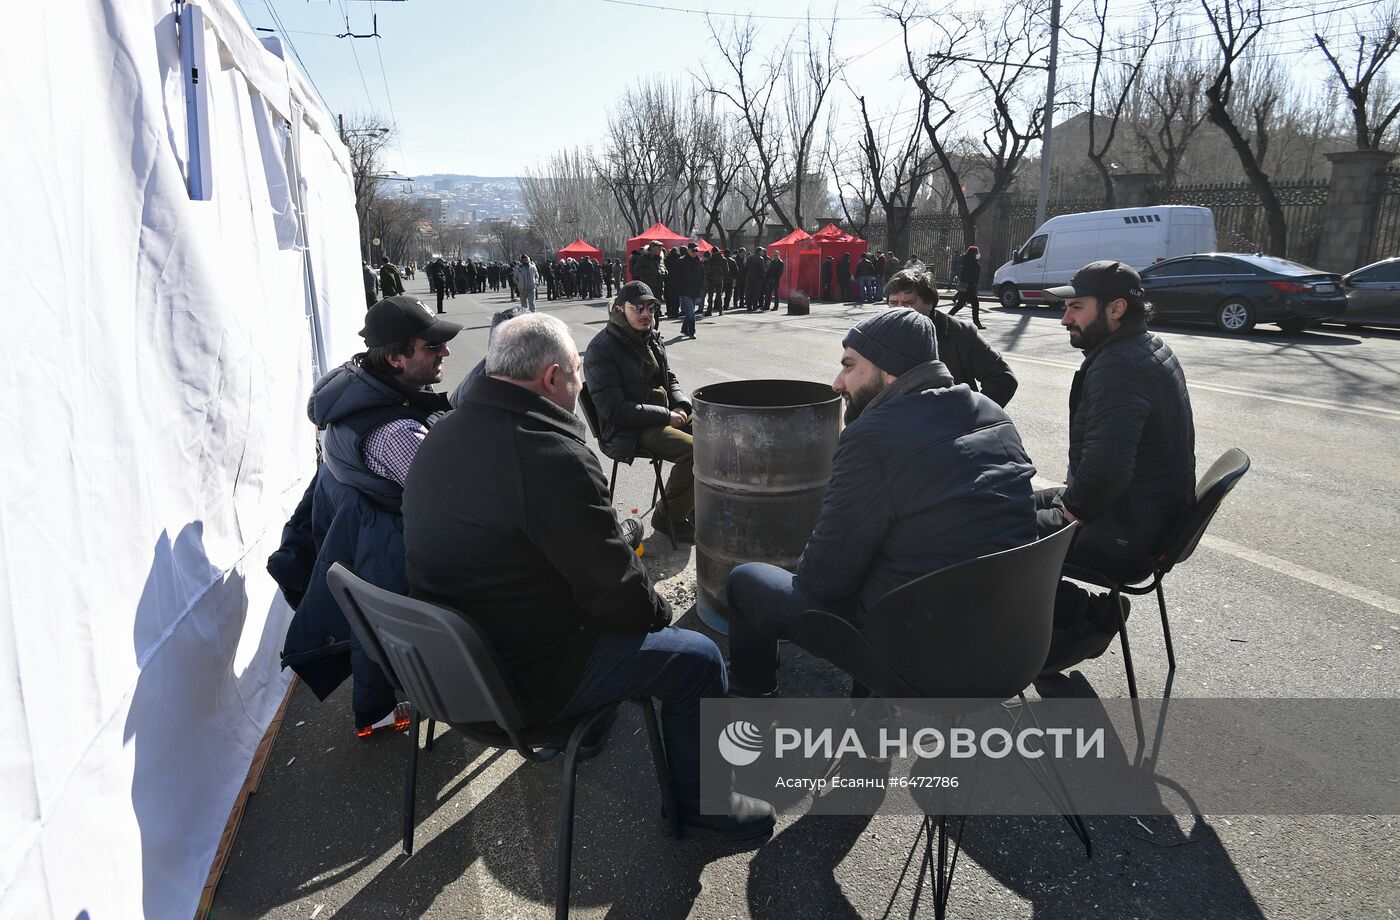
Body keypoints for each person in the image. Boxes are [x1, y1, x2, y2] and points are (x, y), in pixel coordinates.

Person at [403, 313, 774, 839]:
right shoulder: (548, 453)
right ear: (552, 378)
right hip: (521, 680)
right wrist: (660, 614)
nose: (582, 386)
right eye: (578, 372)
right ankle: (705, 803)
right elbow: (620, 594)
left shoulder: (440, 434)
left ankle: (599, 719)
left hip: (450, 666)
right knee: (699, 659)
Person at [726, 309, 1037, 696]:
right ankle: (869, 724)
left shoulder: (871, 439)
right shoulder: (993, 413)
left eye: (849, 366)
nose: (837, 382)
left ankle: (749, 701)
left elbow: (823, 580)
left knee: (746, 581)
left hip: (916, 652)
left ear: (889, 372)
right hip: (1014, 640)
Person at [270, 295, 460, 736]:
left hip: (361, 544)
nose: (444, 352)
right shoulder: (394, 432)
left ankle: (374, 711)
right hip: (389, 555)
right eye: (431, 347)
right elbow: (451, 505)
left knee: (369, 621)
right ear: (395, 358)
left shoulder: (354, 392)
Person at [1035, 261, 1196, 676]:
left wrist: (1069, 513)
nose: (1065, 318)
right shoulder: (1144, 346)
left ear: (1116, 308)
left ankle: (1071, 627)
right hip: (1145, 516)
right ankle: (1085, 614)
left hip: (1126, 532)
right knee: (999, 501)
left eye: (1076, 307)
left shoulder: (1119, 366)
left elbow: (1105, 471)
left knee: (984, 529)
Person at [584, 281, 696, 543]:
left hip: (659, 413)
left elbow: (669, 377)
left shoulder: (650, 337)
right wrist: (666, 415)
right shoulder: (602, 349)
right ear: (621, 309)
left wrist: (680, 404)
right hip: (628, 429)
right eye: (638, 308)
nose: (646, 314)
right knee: (697, 452)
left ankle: (690, 504)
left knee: (716, 435)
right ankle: (670, 518)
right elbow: (615, 410)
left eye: (651, 307)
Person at [884, 268, 1018, 407]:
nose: (899, 310)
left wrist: (970, 417)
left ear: (929, 303)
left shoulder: (961, 334)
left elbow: (1003, 378)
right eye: (893, 303)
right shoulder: (879, 336)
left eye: (909, 303)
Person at [947, 244, 985, 329]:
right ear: (973, 253)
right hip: (969, 287)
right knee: (975, 304)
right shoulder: (970, 262)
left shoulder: (969, 261)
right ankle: (976, 323)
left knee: (960, 305)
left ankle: (947, 318)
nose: (978, 254)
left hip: (967, 287)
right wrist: (971, 285)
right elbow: (967, 276)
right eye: (977, 252)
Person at [674, 243, 704, 339]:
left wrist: (700, 291)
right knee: (691, 312)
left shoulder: (699, 262)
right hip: (685, 291)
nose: (695, 252)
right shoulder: (681, 261)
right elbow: (676, 276)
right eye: (693, 250)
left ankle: (684, 329)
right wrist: (683, 285)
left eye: (696, 250)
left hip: (696, 291)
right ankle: (692, 331)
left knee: (690, 312)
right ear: (688, 250)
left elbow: (702, 277)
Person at [744, 247, 767, 312]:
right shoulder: (760, 259)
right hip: (757, 279)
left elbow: (746, 268)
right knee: (756, 293)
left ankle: (749, 306)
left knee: (749, 292)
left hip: (749, 278)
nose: (763, 253)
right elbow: (762, 270)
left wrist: (747, 276)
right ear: (759, 252)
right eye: (762, 251)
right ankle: (754, 306)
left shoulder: (749, 258)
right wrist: (762, 278)